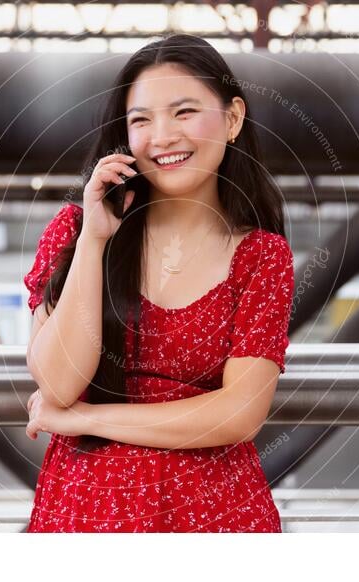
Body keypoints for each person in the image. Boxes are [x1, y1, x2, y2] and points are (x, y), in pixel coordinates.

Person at [22, 33, 294, 533]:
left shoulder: (262, 257)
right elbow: (58, 384)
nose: (162, 136)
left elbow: (239, 413)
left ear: (232, 119)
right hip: (87, 510)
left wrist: (86, 420)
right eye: (142, 119)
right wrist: (95, 241)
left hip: (214, 515)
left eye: (184, 112)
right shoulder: (76, 229)